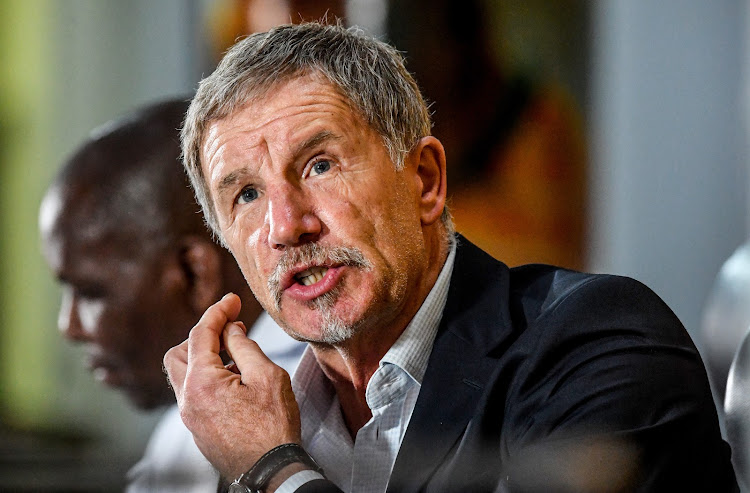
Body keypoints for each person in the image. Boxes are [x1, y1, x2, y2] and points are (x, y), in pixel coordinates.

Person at [163, 23, 737, 492]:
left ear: (426, 180)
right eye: (246, 195)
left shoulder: (599, 342)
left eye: (320, 164)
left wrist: (273, 472)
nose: (286, 227)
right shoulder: (253, 422)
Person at [38, 99, 305, 492]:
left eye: (91, 291)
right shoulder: (185, 428)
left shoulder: (324, 388)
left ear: (195, 274)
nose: (70, 327)